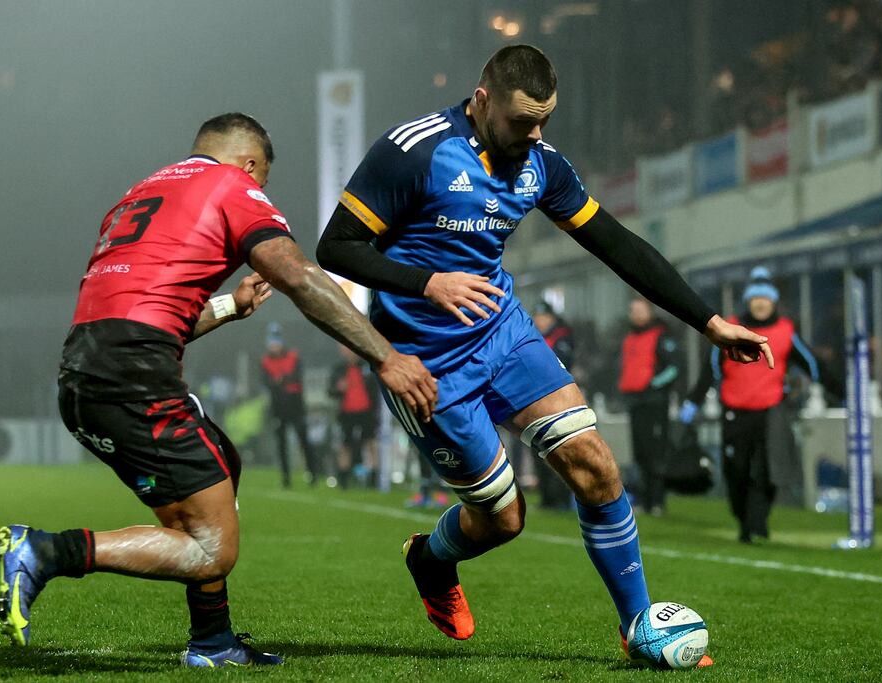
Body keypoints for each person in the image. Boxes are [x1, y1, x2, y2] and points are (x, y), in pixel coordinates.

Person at [317, 44, 771, 666]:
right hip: (424, 361)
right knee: (504, 521)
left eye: (544, 121)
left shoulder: (542, 164)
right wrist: (428, 282)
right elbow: (335, 248)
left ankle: (638, 625)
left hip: (503, 334)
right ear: (481, 103)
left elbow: (615, 243)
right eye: (521, 122)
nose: (534, 135)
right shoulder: (414, 150)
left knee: (596, 466)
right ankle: (430, 558)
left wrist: (709, 321)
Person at [0, 113, 437, 668]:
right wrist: (387, 356)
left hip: (87, 370)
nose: (259, 190)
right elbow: (299, 275)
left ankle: (213, 642)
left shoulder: (143, 191)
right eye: (263, 180)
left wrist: (230, 306)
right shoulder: (233, 185)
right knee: (211, 548)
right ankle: (45, 551)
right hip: (133, 374)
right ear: (250, 165)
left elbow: (153, 313)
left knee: (221, 465)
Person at [681, 266, 831, 544]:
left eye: (765, 299)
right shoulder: (732, 329)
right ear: (748, 301)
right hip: (735, 413)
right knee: (735, 470)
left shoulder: (786, 331)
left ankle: (756, 524)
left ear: (773, 301)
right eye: (755, 299)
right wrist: (693, 402)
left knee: (767, 471)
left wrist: (841, 391)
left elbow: (813, 365)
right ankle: (744, 518)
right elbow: (710, 370)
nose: (760, 303)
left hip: (771, 412)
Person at [618, 297, 680, 516]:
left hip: (654, 402)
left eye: (640, 310)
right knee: (640, 452)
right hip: (635, 401)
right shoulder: (630, 337)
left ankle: (657, 501)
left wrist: (652, 385)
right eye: (633, 310)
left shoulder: (661, 334)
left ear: (650, 311)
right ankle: (644, 500)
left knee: (655, 452)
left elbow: (674, 368)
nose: (636, 314)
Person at [260, 323, 319, 487]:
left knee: (304, 440)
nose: (274, 347)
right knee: (282, 443)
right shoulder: (265, 361)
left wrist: (281, 380)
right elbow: (266, 381)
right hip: (278, 406)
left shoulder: (293, 356)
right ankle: (286, 478)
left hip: (295, 405)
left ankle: (313, 473)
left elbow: (297, 377)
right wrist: (281, 381)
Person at [531, 302, 576, 510]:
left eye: (543, 317)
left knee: (557, 448)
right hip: (533, 399)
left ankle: (561, 498)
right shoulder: (532, 336)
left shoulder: (562, 337)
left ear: (551, 318)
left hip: (556, 400)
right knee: (538, 449)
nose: (539, 321)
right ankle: (547, 498)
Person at [328, 344, 380, 488]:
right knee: (346, 444)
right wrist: (338, 389)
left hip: (367, 412)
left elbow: (376, 390)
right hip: (347, 413)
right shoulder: (338, 369)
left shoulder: (367, 367)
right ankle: (343, 479)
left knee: (370, 442)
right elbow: (330, 391)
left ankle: (373, 478)